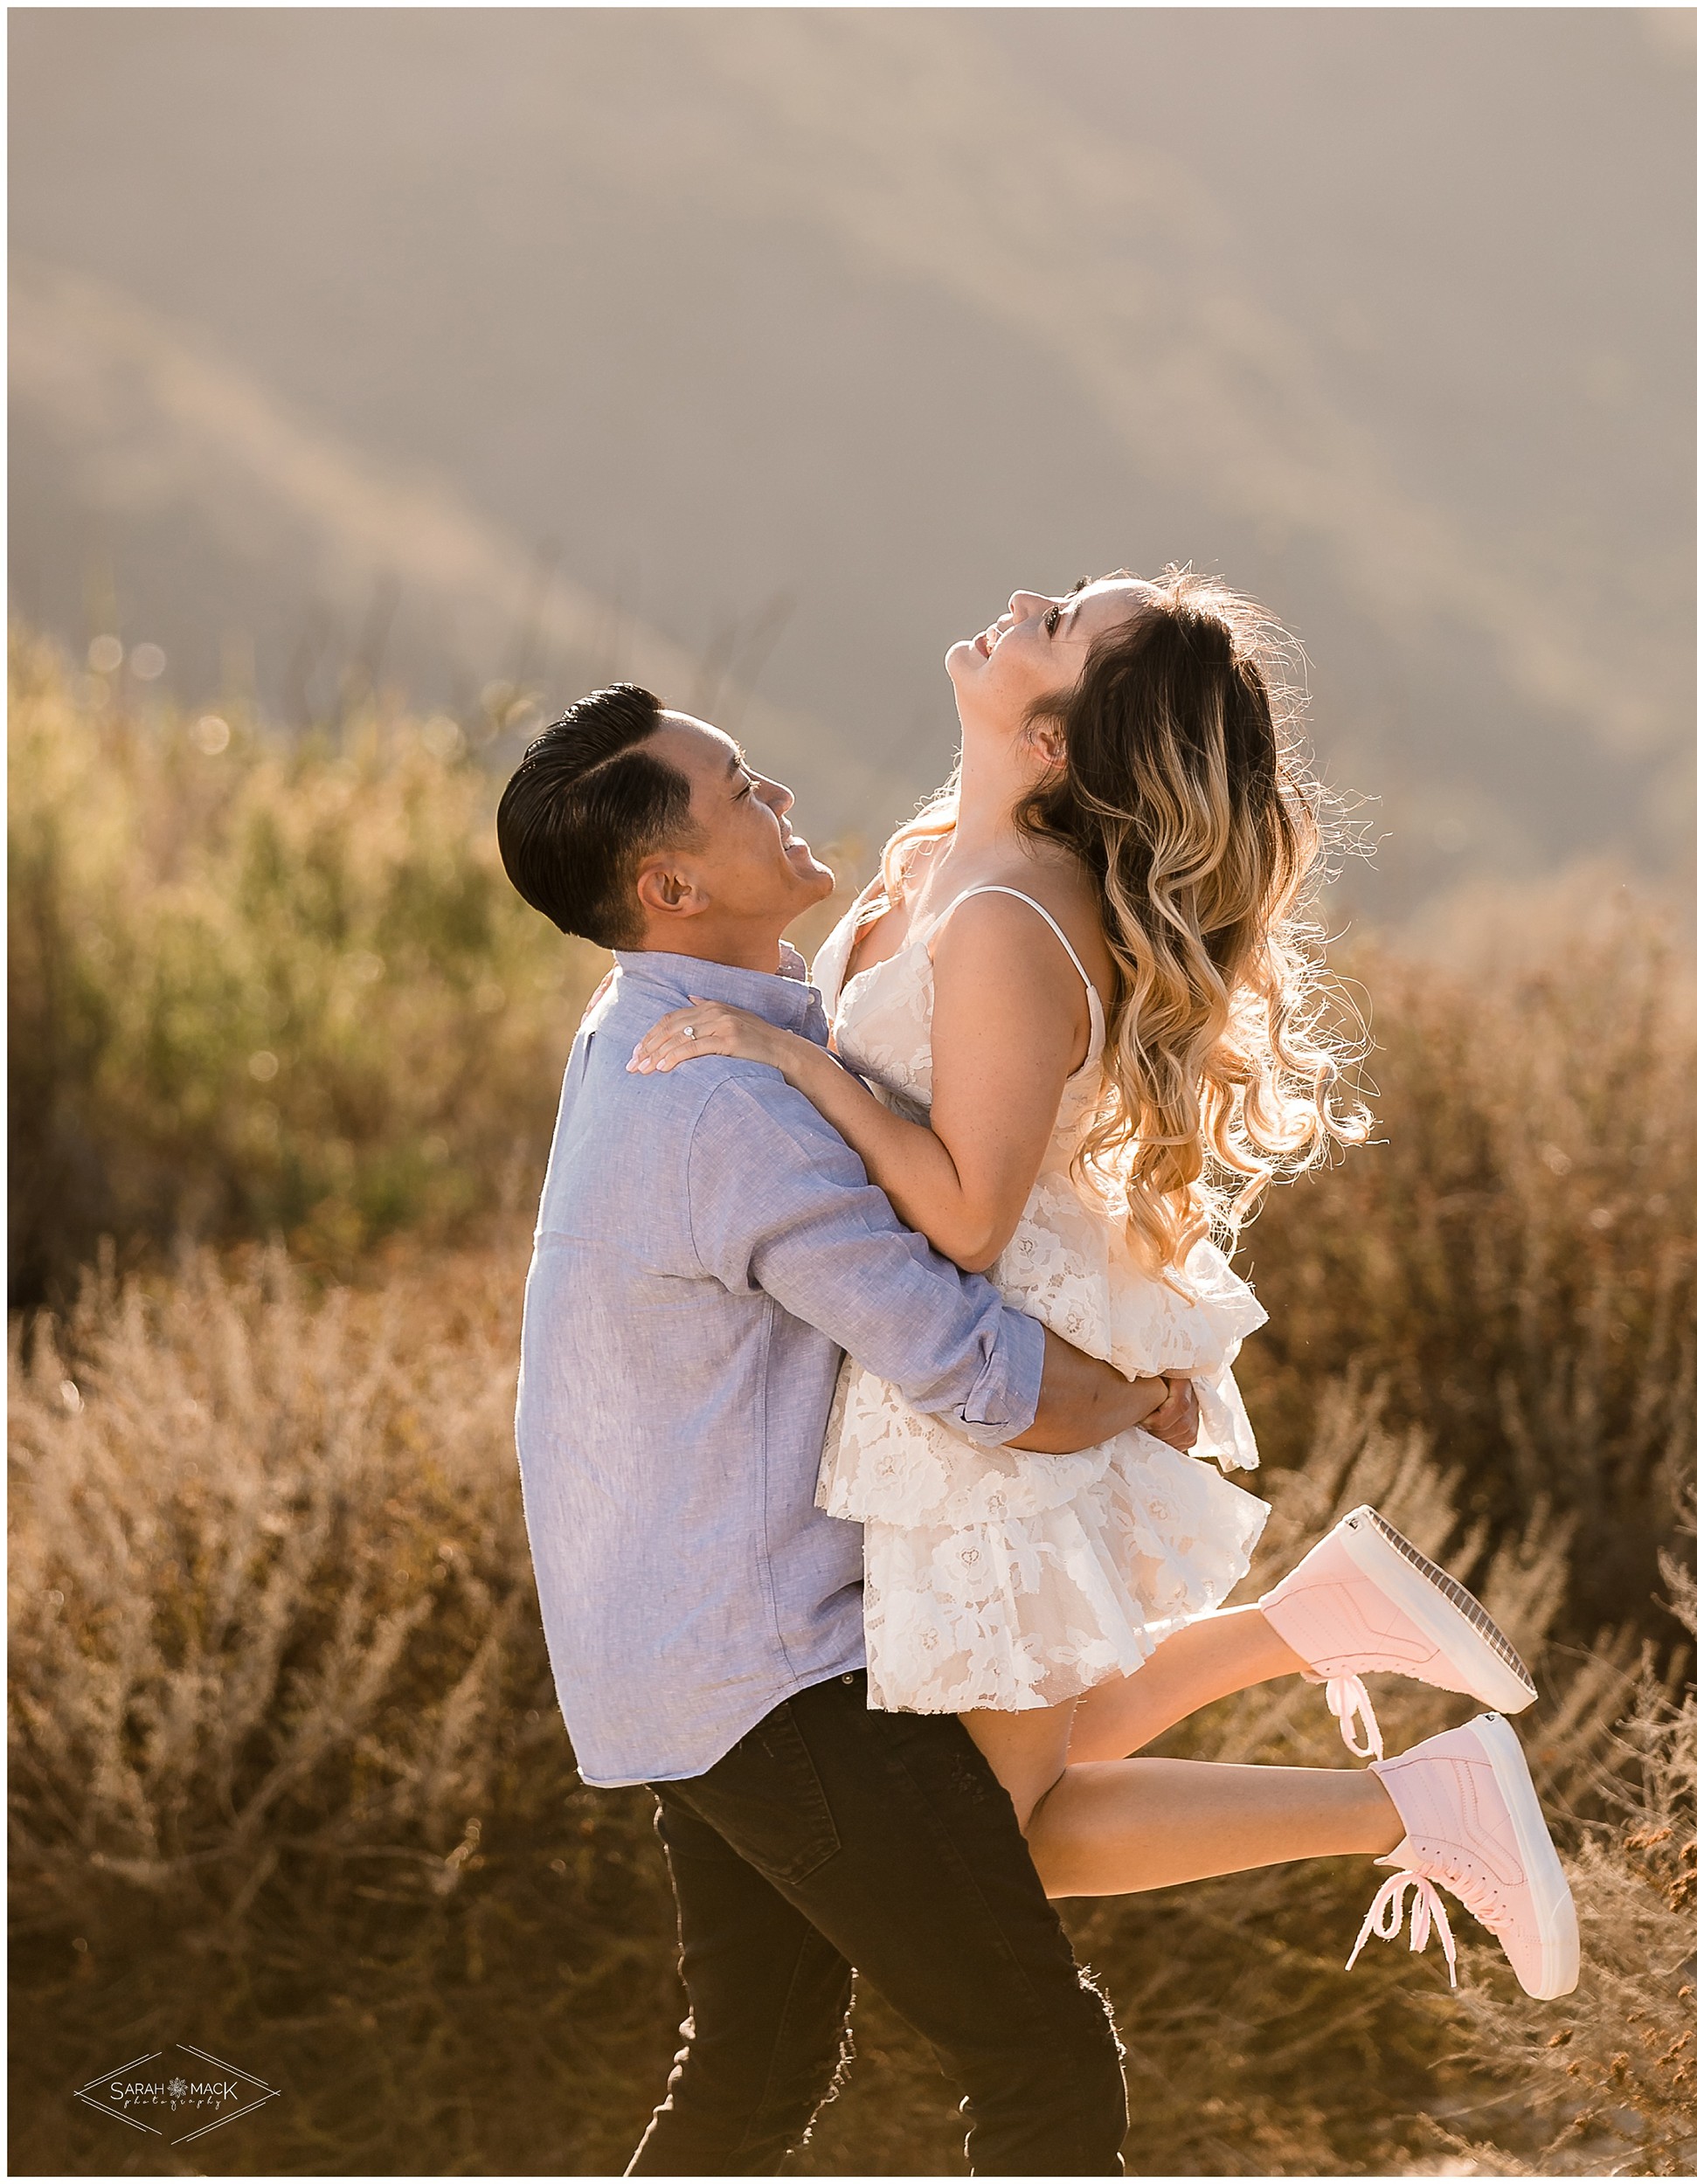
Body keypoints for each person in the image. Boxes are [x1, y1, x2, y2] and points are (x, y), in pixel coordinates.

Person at [627, 570, 1580, 2005]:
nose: (1022, 600)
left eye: (1060, 620)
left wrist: (794, 1065)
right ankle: (1315, 1630)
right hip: (939, 1385)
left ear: (1058, 740)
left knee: (977, 1850)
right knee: (989, 1820)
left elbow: (961, 1214)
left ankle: (1410, 1802)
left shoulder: (1009, 916)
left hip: (986, 1404)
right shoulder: (935, 853)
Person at [497, 681, 1207, 2177]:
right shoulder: (723, 1111)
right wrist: (1143, 1394)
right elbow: (958, 1363)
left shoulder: (655, 1031)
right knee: (1039, 2060)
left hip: (681, 1657)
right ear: (669, 886)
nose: (781, 801)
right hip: (765, 1676)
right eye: (742, 792)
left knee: (748, 2072)